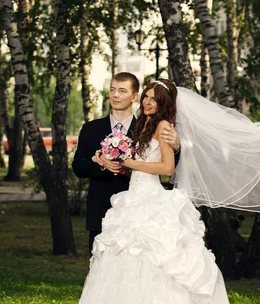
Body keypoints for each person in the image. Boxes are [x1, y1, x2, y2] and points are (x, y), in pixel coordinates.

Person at [61, 79, 260, 304]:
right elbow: (85, 163)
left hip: (150, 200)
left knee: (160, 272)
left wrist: (135, 161)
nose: (147, 102)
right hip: (128, 202)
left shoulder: (161, 127)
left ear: (163, 104)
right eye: (145, 97)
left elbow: (168, 166)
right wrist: (101, 158)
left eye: (152, 99)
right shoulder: (139, 126)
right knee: (125, 275)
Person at [71, 72, 180, 253]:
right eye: (112, 90)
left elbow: (167, 163)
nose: (115, 95)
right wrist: (100, 164)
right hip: (101, 209)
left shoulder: (147, 128)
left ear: (134, 96)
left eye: (122, 91)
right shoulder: (91, 129)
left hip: (138, 210)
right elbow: (78, 167)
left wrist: (176, 146)